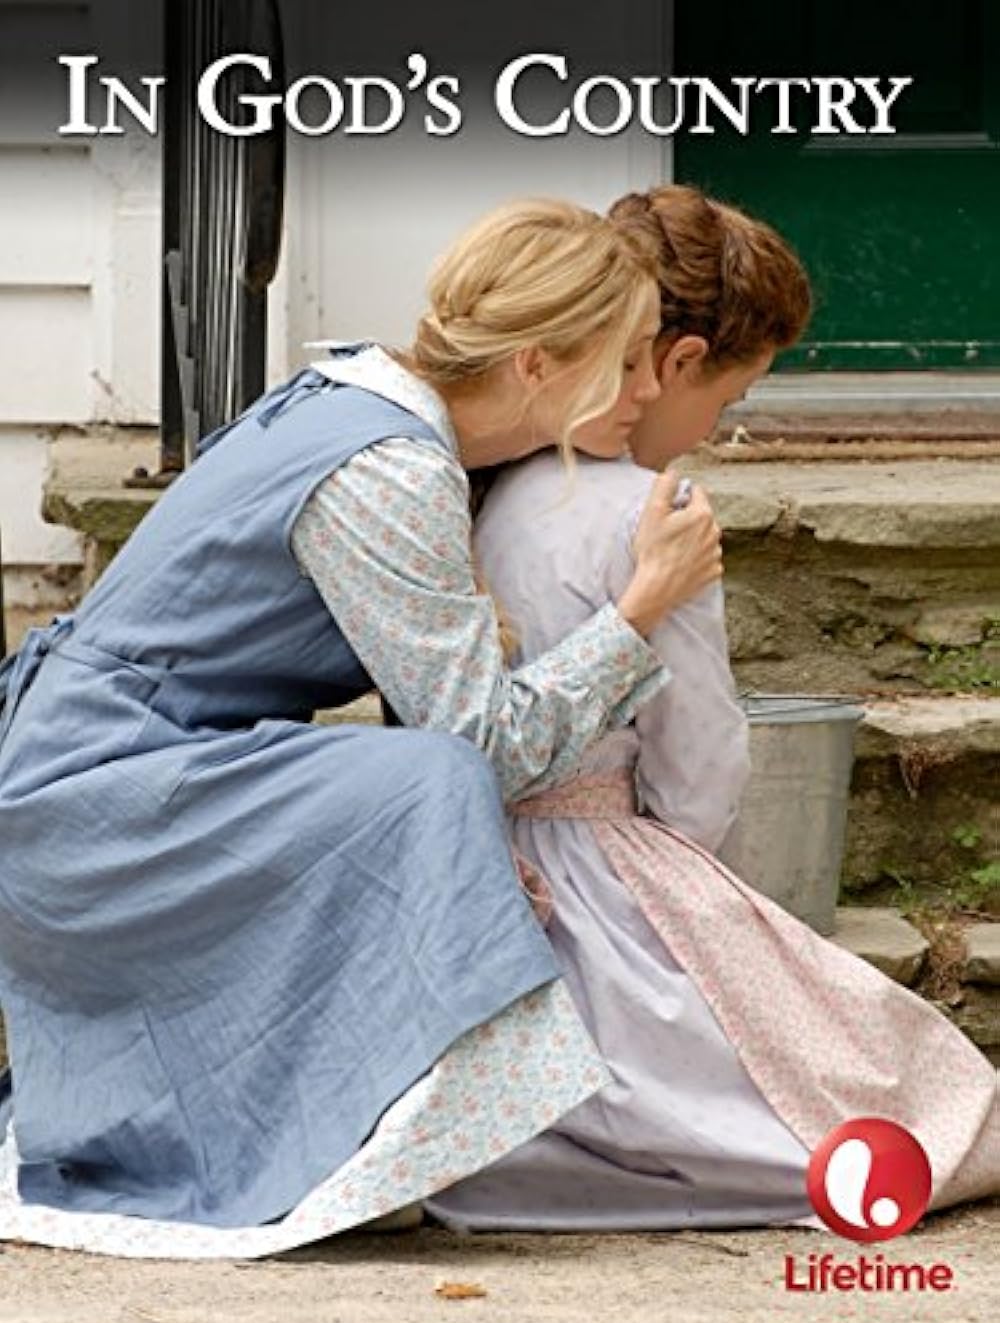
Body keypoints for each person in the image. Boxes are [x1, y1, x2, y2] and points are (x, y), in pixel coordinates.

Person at [0, 199, 724, 1259]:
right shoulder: (386, 470)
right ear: (535, 365)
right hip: (92, 801)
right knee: (431, 777)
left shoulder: (363, 399)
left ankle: (372, 1131)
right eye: (624, 362)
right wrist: (641, 606)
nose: (647, 390)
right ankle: (400, 1136)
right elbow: (485, 743)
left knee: (418, 781)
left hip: (122, 766)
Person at [424, 186, 1000, 1233]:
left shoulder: (483, 488)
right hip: (605, 865)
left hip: (482, 864)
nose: (716, 427)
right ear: (678, 361)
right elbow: (697, 762)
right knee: (883, 1084)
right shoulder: (658, 512)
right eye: (730, 399)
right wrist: (697, 893)